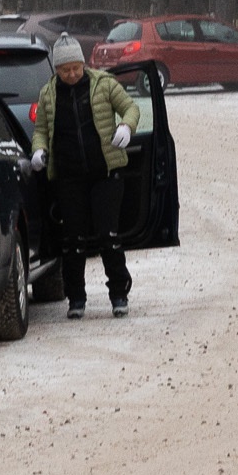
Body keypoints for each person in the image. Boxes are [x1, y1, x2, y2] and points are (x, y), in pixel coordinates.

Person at [31, 36, 143, 320]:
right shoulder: (48, 94)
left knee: (108, 236)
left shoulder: (103, 83)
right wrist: (39, 149)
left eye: (76, 68)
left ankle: (119, 294)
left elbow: (131, 107)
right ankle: (76, 298)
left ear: (83, 63)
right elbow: (41, 129)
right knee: (73, 240)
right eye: (65, 69)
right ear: (56, 69)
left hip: (105, 173)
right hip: (69, 177)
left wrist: (127, 127)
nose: (71, 74)